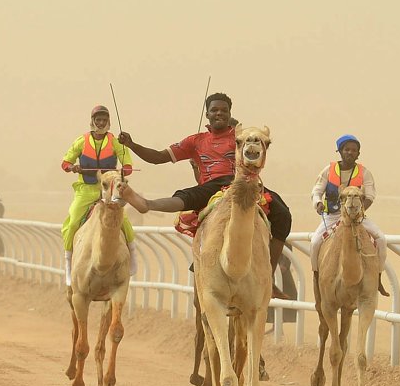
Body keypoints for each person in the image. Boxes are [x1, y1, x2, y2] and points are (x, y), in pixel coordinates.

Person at [117, 92, 292, 297]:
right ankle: (147, 204)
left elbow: (257, 149)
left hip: (242, 182)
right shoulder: (196, 141)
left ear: (229, 114)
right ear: (207, 114)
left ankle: (267, 277)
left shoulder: (239, 137)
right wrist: (132, 145)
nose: (219, 113)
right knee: (188, 196)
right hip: (212, 186)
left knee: (282, 213)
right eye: (215, 110)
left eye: (224, 110)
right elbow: (158, 157)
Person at [60, 105, 137, 286]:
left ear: (108, 122)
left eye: (104, 120)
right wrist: (73, 167)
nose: (101, 123)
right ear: (92, 121)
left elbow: (128, 164)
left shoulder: (115, 142)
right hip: (86, 189)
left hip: (109, 187)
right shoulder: (81, 141)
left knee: (122, 219)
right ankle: (68, 264)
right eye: (98, 120)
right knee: (72, 223)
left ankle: (133, 255)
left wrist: (125, 169)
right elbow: (65, 163)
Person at [309, 134, 390, 298]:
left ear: (358, 154)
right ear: (339, 151)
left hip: (357, 217)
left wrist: (360, 212)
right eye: (346, 149)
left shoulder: (364, 173)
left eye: (354, 150)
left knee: (381, 239)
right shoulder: (328, 170)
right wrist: (317, 203)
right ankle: (317, 277)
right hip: (332, 216)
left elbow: (370, 196)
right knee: (315, 241)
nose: (350, 153)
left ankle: (378, 277)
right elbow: (317, 191)